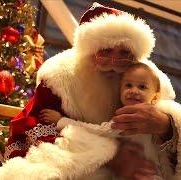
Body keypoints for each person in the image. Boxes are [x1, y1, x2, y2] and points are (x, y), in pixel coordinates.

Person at [3, 2, 181, 180]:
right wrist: (110, 156)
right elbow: (32, 127)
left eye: (124, 53)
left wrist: (166, 126)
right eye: (105, 52)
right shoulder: (58, 78)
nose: (113, 63)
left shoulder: (146, 76)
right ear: (90, 50)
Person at [39, 63, 170, 179]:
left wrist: (61, 121)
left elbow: (96, 130)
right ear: (120, 90)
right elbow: (101, 131)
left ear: (155, 96)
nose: (133, 91)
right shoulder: (123, 114)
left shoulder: (152, 115)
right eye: (128, 85)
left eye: (142, 87)